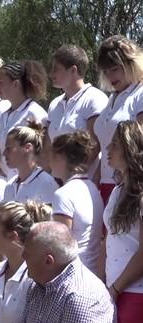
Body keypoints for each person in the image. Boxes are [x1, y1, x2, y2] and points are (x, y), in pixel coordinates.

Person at [6, 222, 120, 323]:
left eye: (27, 253)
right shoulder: (38, 284)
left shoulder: (81, 298)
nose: (22, 256)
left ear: (48, 261)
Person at [103, 119, 143, 323]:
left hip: (135, 296)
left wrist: (116, 289)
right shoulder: (118, 191)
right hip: (115, 292)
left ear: (130, 149)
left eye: (115, 145)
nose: (108, 149)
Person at [93, 35, 143, 204]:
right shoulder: (112, 98)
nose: (109, 76)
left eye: (114, 69)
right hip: (106, 183)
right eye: (105, 71)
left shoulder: (140, 94)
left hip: (132, 186)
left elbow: (139, 143)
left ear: (130, 64)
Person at [46, 44, 108, 174]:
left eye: (56, 69)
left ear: (73, 70)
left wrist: (73, 175)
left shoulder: (95, 99)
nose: (51, 74)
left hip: (82, 182)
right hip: (56, 182)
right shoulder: (54, 104)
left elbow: (94, 144)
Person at [50, 131, 104, 276]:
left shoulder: (63, 194)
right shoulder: (93, 189)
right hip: (93, 274)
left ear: (61, 158)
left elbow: (61, 245)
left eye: (52, 156)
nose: (50, 162)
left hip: (73, 276)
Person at [0, 60, 48, 178]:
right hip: (5, 182)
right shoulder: (3, 115)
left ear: (15, 84)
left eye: (0, 83)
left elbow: (41, 154)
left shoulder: (35, 113)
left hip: (26, 183)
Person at [2, 123, 59, 205]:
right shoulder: (9, 185)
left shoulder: (47, 184)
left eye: (9, 148)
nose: (4, 153)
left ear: (27, 147)